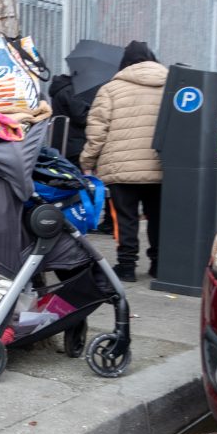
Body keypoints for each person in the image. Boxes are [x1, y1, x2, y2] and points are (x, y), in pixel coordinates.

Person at [80, 41, 167, 283]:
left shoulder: (110, 89)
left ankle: (127, 267)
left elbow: (97, 132)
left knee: (125, 218)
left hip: (120, 167)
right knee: (157, 217)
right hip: (160, 165)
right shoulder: (170, 85)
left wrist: (87, 160)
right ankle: (158, 265)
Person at [49, 73, 114, 235]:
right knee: (83, 184)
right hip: (76, 145)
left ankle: (73, 218)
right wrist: (95, 110)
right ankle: (80, 219)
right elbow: (81, 116)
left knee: (73, 183)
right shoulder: (69, 91)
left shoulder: (61, 89)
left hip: (65, 143)